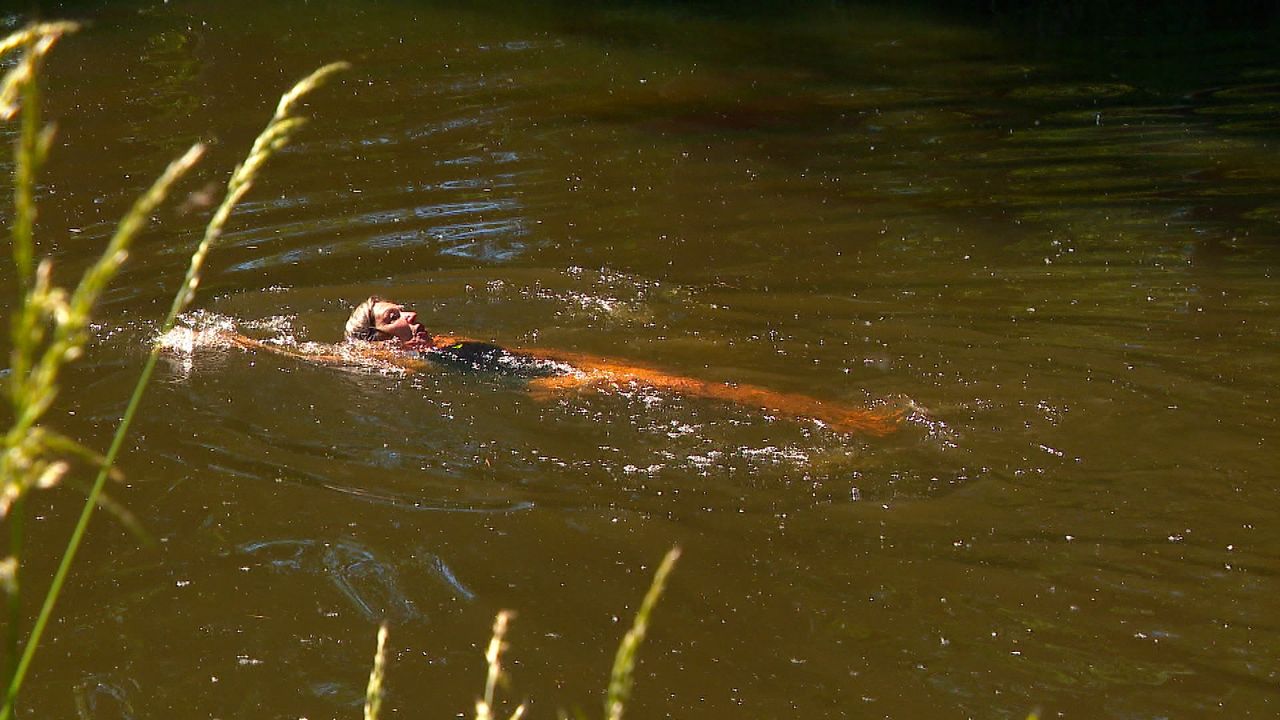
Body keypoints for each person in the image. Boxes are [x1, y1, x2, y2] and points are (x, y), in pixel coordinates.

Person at [224, 295, 904, 436]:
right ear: (375, 337)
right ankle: (850, 422)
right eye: (395, 316)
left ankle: (843, 418)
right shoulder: (397, 367)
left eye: (409, 310)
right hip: (540, 382)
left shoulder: (441, 344)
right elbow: (310, 353)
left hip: (543, 366)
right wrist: (239, 344)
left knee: (696, 384)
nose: (412, 317)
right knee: (696, 389)